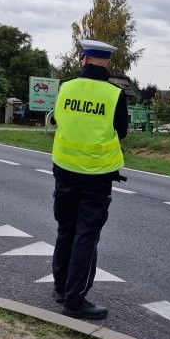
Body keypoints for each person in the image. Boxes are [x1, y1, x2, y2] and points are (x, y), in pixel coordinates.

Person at [51, 39, 128, 320]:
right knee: (86, 237)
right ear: (108, 63)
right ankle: (75, 300)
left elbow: (58, 119)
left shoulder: (66, 88)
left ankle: (61, 288)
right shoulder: (114, 94)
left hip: (64, 170)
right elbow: (122, 131)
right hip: (96, 177)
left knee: (66, 230)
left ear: (84, 59)